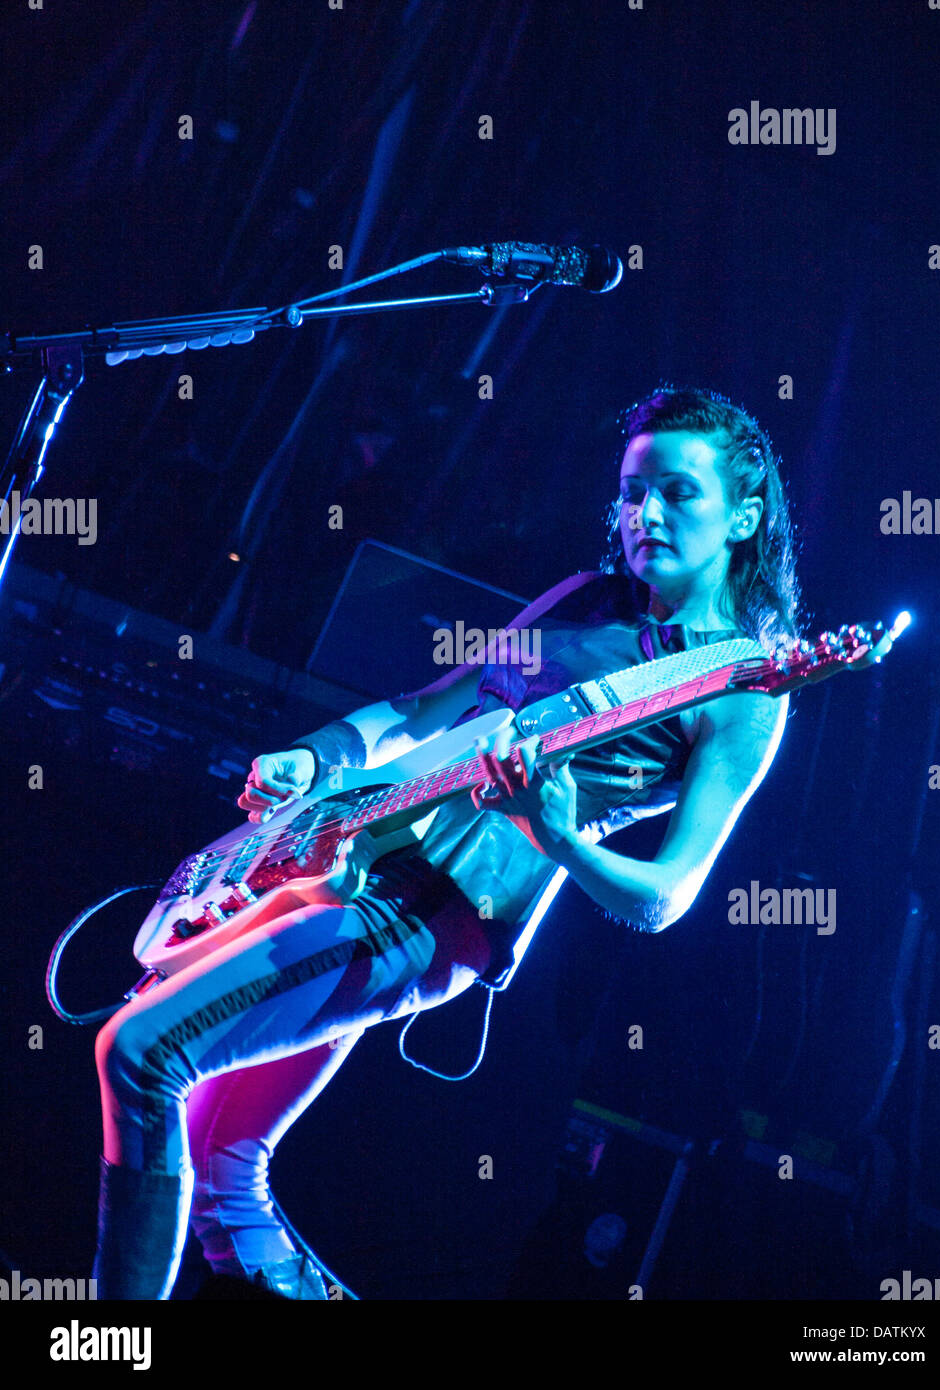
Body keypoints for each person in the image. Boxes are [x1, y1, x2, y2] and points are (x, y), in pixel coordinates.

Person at [92, 384, 800, 1299]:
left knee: (141, 1054)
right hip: (347, 859)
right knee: (225, 1164)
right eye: (630, 491)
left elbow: (666, 894)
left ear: (743, 516)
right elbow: (426, 710)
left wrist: (560, 834)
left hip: (432, 914)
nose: (643, 513)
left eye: (677, 492)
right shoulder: (582, 597)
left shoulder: (741, 688)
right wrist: (312, 758)